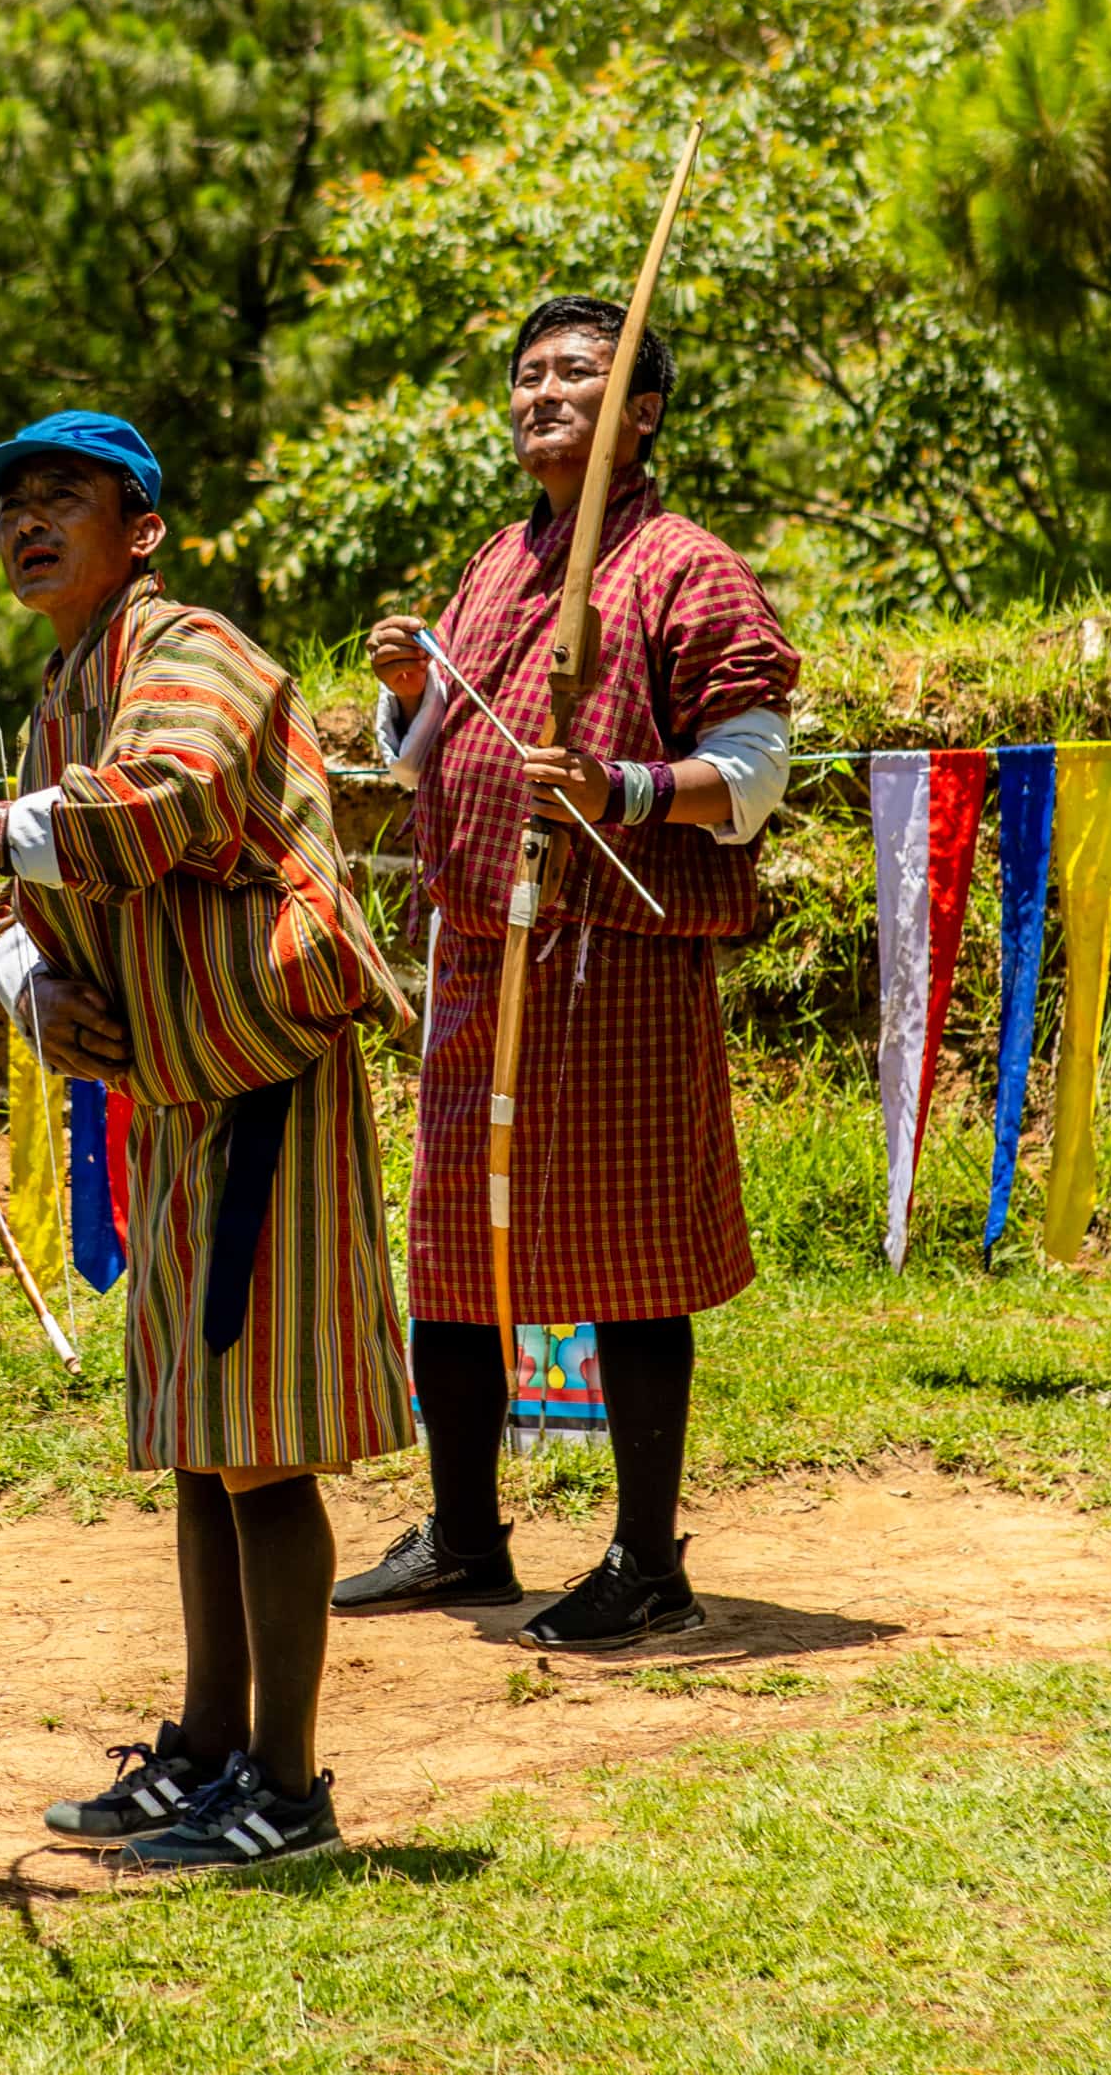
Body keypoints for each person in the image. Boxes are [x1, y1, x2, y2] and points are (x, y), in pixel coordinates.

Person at [0, 412, 414, 1869]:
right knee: (198, 1438)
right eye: (14, 505)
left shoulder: (191, 655)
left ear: (143, 529)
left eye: (67, 498)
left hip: (260, 1072)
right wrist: (28, 981)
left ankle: (286, 1790)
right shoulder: (68, 688)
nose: (28, 523)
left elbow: (156, 810)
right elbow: (50, 908)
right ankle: (207, 1752)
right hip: (180, 1092)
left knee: (259, 1443)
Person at [334, 299, 799, 1649]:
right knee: (452, 1254)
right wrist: (410, 692)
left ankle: (647, 1560)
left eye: (579, 374)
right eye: (529, 374)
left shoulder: (683, 567)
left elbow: (754, 775)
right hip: (485, 947)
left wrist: (627, 786)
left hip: (620, 959)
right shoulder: (496, 562)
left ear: (641, 412)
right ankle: (467, 1537)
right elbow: (429, 761)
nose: (544, 392)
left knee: (632, 1263)